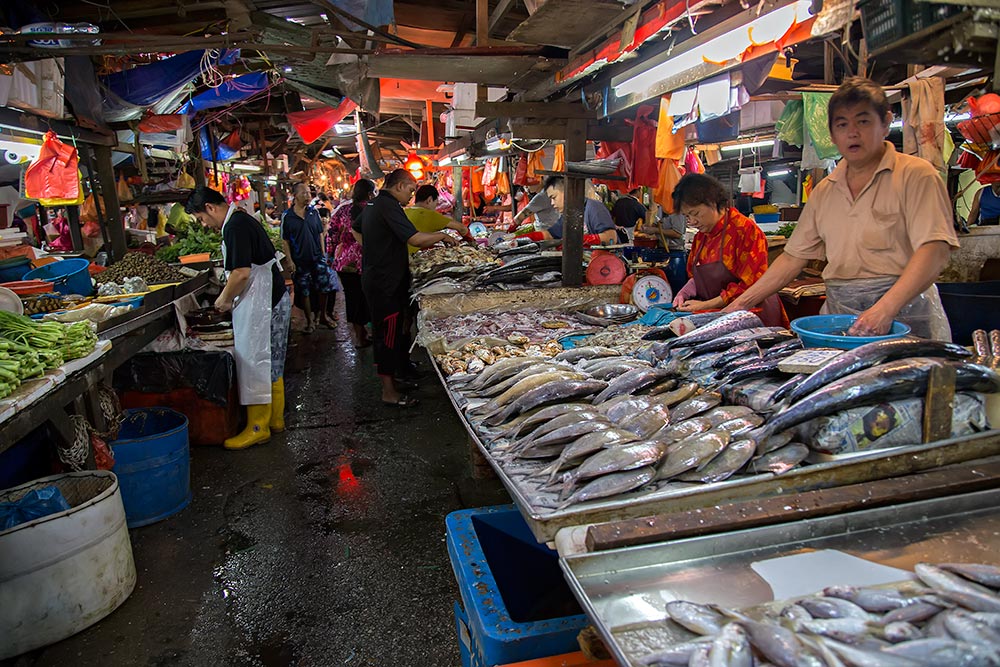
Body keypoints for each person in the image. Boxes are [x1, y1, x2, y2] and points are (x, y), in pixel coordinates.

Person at [725, 77, 960, 340]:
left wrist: (884, 309)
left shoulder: (916, 176)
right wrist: (741, 304)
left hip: (905, 316)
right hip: (840, 317)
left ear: (885, 123)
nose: (853, 132)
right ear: (832, 134)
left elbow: (934, 249)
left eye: (863, 121)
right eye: (842, 124)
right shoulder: (824, 191)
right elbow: (793, 258)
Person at [185, 186, 291, 450]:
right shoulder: (241, 219)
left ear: (210, 208)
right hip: (273, 299)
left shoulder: (234, 226)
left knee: (256, 359)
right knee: (272, 361)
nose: (204, 224)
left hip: (265, 302)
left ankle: (258, 427)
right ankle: (275, 420)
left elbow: (241, 273)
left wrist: (222, 301)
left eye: (201, 218)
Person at [353, 169, 458, 407]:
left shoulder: (374, 204)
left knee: (395, 332)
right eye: (411, 190)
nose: (412, 196)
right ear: (399, 186)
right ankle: (388, 392)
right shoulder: (387, 206)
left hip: (382, 277)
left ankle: (397, 377)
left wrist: (374, 249)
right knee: (386, 335)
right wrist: (442, 235)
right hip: (384, 283)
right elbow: (416, 239)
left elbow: (356, 229)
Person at [670, 173, 788, 328]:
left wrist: (705, 305)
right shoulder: (701, 237)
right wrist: (684, 292)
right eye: (687, 216)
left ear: (712, 202)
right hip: (719, 316)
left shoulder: (744, 230)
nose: (692, 222)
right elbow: (698, 276)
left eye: (695, 214)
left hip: (753, 315)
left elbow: (751, 284)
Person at [281, 182, 337, 333]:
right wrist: (290, 260)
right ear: (295, 196)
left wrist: (323, 253)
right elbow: (285, 241)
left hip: (317, 258)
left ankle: (323, 316)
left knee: (323, 288)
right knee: (304, 291)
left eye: (308, 193)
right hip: (299, 260)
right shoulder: (287, 217)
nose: (308, 196)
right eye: (304, 193)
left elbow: (320, 233)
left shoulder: (314, 212)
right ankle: (310, 321)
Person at [330, 180, 374, 348]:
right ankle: (373, 336)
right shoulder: (371, 210)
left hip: (345, 264)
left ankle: (359, 337)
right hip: (368, 262)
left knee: (353, 299)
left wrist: (330, 254)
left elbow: (332, 234)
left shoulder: (342, 210)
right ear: (370, 193)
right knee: (369, 299)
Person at [534, 176, 618, 245]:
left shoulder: (593, 207)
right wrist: (523, 239)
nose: (552, 203)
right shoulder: (569, 215)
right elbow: (549, 235)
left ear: (567, 191)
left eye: (554, 197)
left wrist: (576, 241)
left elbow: (611, 238)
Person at [405, 185, 473, 252]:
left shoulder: (405, 211)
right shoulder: (428, 214)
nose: (436, 207)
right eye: (436, 203)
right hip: (413, 256)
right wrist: (471, 241)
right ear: (429, 200)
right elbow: (462, 228)